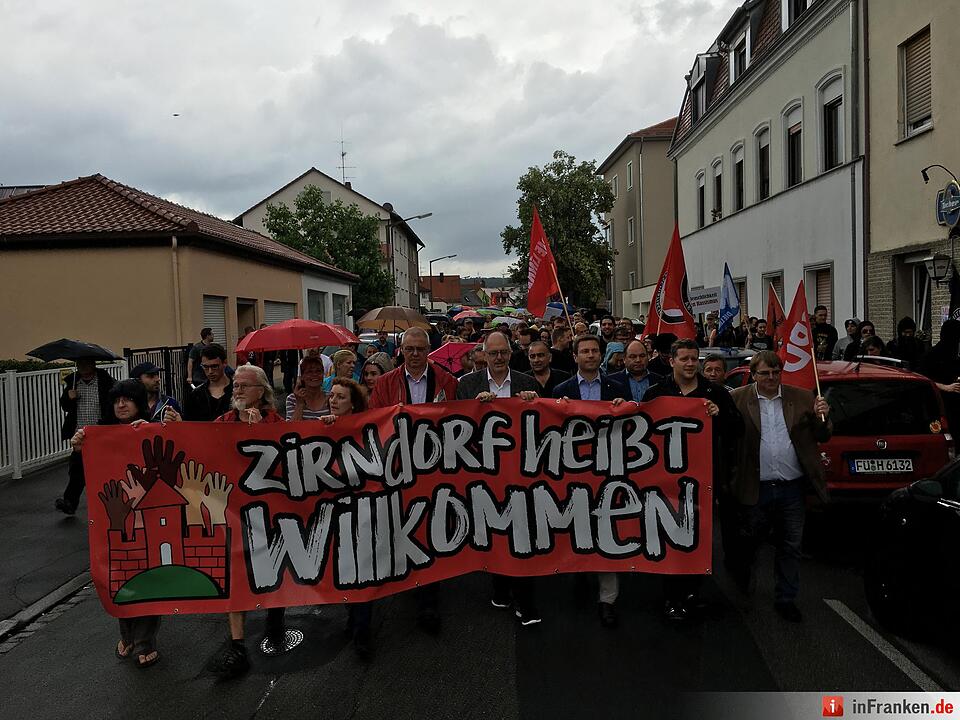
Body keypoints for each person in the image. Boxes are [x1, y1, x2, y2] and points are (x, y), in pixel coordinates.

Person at [643, 339, 743, 621]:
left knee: (698, 538)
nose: (690, 364)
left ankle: (692, 591)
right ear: (671, 361)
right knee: (670, 537)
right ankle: (671, 596)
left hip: (702, 481)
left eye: (694, 359)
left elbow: (737, 429)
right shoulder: (657, 392)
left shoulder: (716, 392)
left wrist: (719, 415)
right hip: (665, 479)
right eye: (684, 358)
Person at [729, 351, 831, 622]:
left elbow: (823, 435)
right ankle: (743, 591)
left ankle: (786, 598)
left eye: (776, 373)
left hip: (791, 487)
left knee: (790, 545)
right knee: (750, 545)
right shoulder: (738, 399)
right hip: (756, 486)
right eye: (765, 373)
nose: (772, 378)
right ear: (754, 375)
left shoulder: (802, 397)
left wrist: (824, 416)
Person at [369, 327, 458, 633]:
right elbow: (374, 422)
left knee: (431, 527)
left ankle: (429, 597)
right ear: (401, 352)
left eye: (421, 349)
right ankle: (409, 578)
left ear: (428, 350)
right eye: (410, 350)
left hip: (433, 467)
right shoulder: (385, 383)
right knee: (405, 525)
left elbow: (455, 420)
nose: (416, 355)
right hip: (398, 467)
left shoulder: (446, 380)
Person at [69, 379, 163, 668]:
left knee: (148, 581)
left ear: (138, 402)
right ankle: (128, 636)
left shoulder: (152, 428)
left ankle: (144, 641)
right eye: (117, 400)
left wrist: (157, 428)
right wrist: (77, 446)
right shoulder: (100, 433)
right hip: (115, 520)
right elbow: (82, 470)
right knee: (119, 578)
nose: (121, 405)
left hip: (147, 519)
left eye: (127, 399)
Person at [455, 332, 541, 626]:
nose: (499, 358)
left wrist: (534, 402)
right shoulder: (467, 386)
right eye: (493, 354)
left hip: (520, 472)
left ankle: (523, 598)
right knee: (494, 532)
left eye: (504, 352)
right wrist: (474, 410)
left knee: (519, 532)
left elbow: (542, 425)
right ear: (484, 355)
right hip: (485, 473)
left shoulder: (527, 383)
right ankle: (501, 589)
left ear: (510, 352)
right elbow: (458, 430)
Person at [205, 364, 286, 678]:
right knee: (235, 571)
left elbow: (287, 463)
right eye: (235, 385)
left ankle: (275, 612)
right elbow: (207, 455)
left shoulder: (274, 422)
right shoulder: (223, 422)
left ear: (261, 392)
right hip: (232, 511)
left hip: (268, 511)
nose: (236, 390)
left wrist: (260, 436)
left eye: (244, 386)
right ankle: (237, 643)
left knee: (271, 565)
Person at [552, 334, 630, 628]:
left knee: (607, 531)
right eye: (584, 351)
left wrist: (626, 408)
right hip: (573, 473)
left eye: (594, 350)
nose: (590, 355)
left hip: (608, 472)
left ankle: (607, 599)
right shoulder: (562, 390)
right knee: (577, 528)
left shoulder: (616, 388)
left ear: (601, 355)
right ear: (574, 356)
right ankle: (579, 572)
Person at [55, 358, 117, 514]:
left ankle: (107, 503)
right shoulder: (74, 382)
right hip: (81, 435)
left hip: (101, 433)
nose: (81, 366)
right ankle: (69, 502)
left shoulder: (107, 382)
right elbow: (65, 406)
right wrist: (69, 398)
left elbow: (113, 403)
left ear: (93, 364)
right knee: (76, 470)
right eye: (79, 364)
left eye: (85, 363)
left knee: (104, 470)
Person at [919, 319, 960, 448]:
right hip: (939, 404)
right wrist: (946, 387)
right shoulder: (931, 356)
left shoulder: (955, 355)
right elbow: (923, 380)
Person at [183, 344, 233, 422]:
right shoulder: (196, 395)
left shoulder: (237, 391)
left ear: (224, 363)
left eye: (214, 366)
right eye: (205, 367)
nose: (210, 372)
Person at [286, 355, 329, 420]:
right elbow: (292, 428)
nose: (314, 374)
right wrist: (299, 403)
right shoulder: (292, 399)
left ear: (323, 374)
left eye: (318, 371)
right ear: (302, 376)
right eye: (309, 371)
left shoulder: (331, 397)